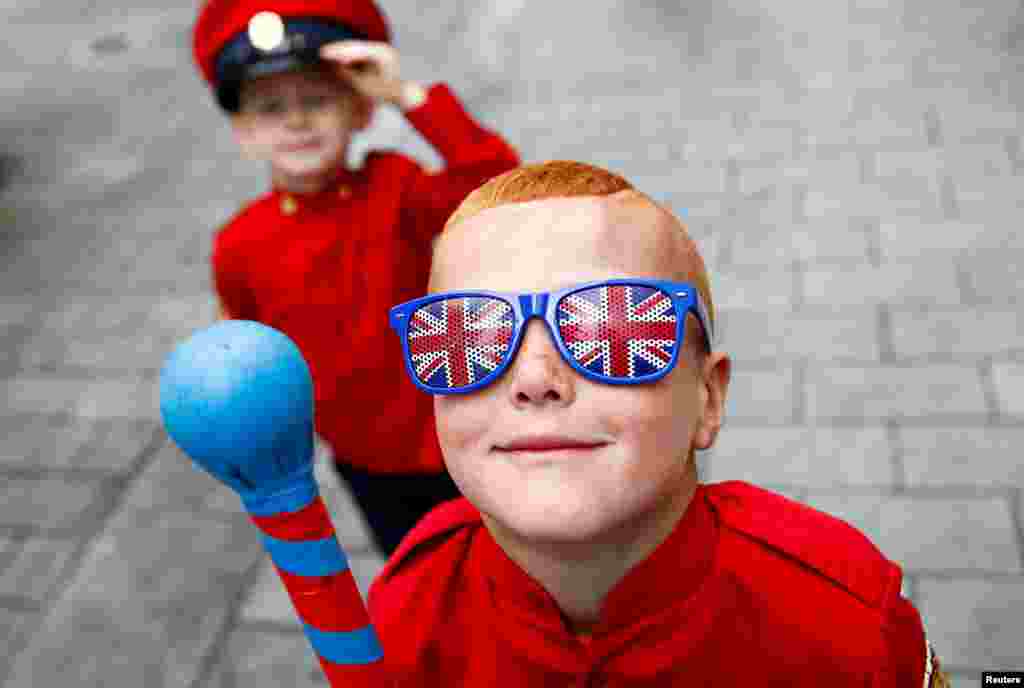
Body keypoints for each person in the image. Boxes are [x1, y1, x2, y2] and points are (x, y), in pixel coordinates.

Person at [367, 160, 951, 686]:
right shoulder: (407, 608)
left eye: (614, 328)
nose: (535, 378)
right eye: (466, 336)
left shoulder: (843, 623)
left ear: (708, 397)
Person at [191, 0, 519, 555]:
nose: (297, 121)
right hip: (363, 460)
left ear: (360, 111)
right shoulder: (238, 245)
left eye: (318, 100)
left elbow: (495, 184)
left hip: (462, 430)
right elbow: (250, 353)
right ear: (243, 132)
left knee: (512, 566)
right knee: (420, 575)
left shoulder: (397, 186)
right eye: (270, 108)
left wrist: (405, 95)